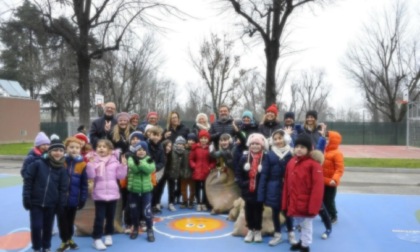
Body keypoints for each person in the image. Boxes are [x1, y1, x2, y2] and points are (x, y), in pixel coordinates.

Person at [22, 137, 68, 252]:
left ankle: (46, 246)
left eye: (61, 151)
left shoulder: (62, 169)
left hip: (51, 204)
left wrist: (60, 204)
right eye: (55, 150)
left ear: (63, 153)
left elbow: (63, 188)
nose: (58, 153)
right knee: (37, 226)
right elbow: (28, 180)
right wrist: (26, 196)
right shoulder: (37, 164)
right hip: (36, 202)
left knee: (48, 228)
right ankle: (37, 247)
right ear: (49, 151)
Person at [282, 134, 324, 252]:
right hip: (295, 201)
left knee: (306, 225)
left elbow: (318, 187)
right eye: (297, 146)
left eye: (303, 147)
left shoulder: (313, 165)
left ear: (309, 149)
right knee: (300, 224)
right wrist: (286, 201)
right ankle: (302, 241)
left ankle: (305, 246)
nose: (299, 149)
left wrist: (313, 206)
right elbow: (287, 184)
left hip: (306, 202)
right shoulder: (291, 162)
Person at [86, 139, 127, 250]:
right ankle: (97, 239)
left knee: (110, 217)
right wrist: (90, 164)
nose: (101, 148)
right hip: (99, 194)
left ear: (110, 150)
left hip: (112, 194)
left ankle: (108, 235)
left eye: (104, 146)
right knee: (99, 218)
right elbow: (91, 176)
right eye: (99, 146)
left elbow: (120, 176)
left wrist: (123, 166)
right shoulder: (94, 161)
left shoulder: (115, 161)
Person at [257, 129, 296, 246]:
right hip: (273, 188)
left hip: (288, 188)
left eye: (280, 138)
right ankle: (277, 234)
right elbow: (264, 174)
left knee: (288, 212)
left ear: (285, 138)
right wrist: (261, 193)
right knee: (275, 212)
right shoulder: (270, 154)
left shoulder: (292, 153)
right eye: (275, 139)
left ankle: (291, 233)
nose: (278, 141)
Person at [56, 137, 88, 252]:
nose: (74, 150)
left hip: (73, 199)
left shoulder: (82, 165)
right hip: (60, 199)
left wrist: (83, 198)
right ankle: (64, 241)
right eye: (71, 147)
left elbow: (84, 184)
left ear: (80, 149)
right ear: (66, 148)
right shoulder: (61, 162)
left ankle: (69, 239)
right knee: (62, 221)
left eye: (77, 148)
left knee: (70, 220)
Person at [235, 133, 267, 243]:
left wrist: (263, 186)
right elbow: (238, 173)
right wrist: (243, 184)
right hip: (247, 190)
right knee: (248, 210)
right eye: (252, 143)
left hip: (259, 191)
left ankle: (257, 230)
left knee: (258, 210)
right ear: (249, 145)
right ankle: (250, 230)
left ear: (262, 145)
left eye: (257, 144)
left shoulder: (265, 158)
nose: (255, 146)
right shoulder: (244, 158)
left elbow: (268, 175)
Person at [126, 141, 156, 242]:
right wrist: (141, 165)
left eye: (143, 150)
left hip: (146, 191)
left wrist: (139, 162)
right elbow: (134, 168)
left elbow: (149, 169)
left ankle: (150, 229)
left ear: (146, 151)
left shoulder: (149, 159)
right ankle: (135, 228)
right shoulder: (130, 158)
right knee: (134, 212)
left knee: (147, 212)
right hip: (134, 191)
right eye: (139, 150)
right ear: (135, 151)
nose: (141, 152)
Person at [189, 130, 215, 211]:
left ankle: (203, 203)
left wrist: (210, 167)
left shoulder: (210, 149)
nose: (203, 140)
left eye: (205, 138)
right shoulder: (195, 148)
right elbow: (191, 159)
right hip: (197, 172)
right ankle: (198, 203)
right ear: (199, 139)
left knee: (204, 188)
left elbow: (213, 160)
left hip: (206, 172)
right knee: (197, 188)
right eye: (202, 138)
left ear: (208, 139)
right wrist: (194, 166)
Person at [322, 131, 345, 225]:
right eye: (326, 138)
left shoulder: (337, 154)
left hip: (331, 182)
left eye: (328, 139)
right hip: (323, 180)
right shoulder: (323, 151)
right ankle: (326, 214)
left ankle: (333, 215)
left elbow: (339, 169)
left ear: (333, 141)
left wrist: (334, 179)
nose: (326, 141)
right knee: (323, 199)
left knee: (329, 199)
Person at [148, 126, 165, 213]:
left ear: (160, 137)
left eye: (157, 135)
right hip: (146, 171)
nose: (155, 137)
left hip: (155, 172)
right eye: (153, 134)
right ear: (149, 135)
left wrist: (156, 168)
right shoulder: (146, 145)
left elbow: (162, 161)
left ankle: (154, 205)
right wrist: (149, 167)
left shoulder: (161, 147)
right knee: (148, 190)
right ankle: (148, 206)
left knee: (155, 190)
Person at [167, 136, 188, 211]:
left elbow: (185, 164)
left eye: (182, 144)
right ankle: (171, 202)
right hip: (171, 173)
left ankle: (177, 198)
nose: (180, 145)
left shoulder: (185, 152)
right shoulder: (171, 151)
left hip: (180, 174)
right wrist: (169, 171)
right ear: (176, 144)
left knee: (180, 188)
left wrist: (183, 172)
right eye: (179, 144)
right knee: (171, 189)